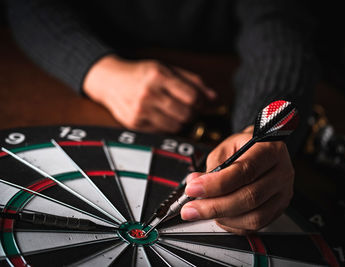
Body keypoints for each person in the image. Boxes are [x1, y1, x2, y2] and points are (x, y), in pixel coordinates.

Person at [6, 0, 315, 235]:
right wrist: (100, 71)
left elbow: (280, 27)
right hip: (62, 83)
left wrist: (256, 129)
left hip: (220, 88)